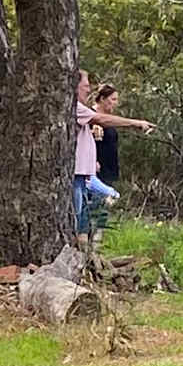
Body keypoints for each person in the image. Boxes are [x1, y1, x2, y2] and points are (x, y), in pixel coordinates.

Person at [71, 75, 150, 243]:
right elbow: (101, 120)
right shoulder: (79, 109)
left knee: (87, 209)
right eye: (85, 85)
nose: (88, 89)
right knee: (90, 206)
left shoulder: (82, 110)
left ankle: (89, 243)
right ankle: (87, 240)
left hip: (93, 170)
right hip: (86, 170)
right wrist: (135, 123)